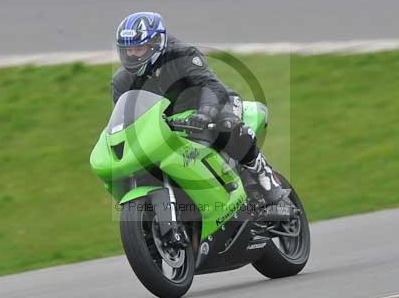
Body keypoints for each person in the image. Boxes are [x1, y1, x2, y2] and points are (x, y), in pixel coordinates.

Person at [111, 11, 285, 204]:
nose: (132, 55)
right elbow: (126, 119)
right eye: (128, 50)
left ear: (155, 43)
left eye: (139, 48)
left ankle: (263, 174)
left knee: (226, 125)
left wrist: (205, 112)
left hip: (212, 104)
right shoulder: (122, 81)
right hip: (168, 125)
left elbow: (210, 85)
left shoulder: (182, 54)